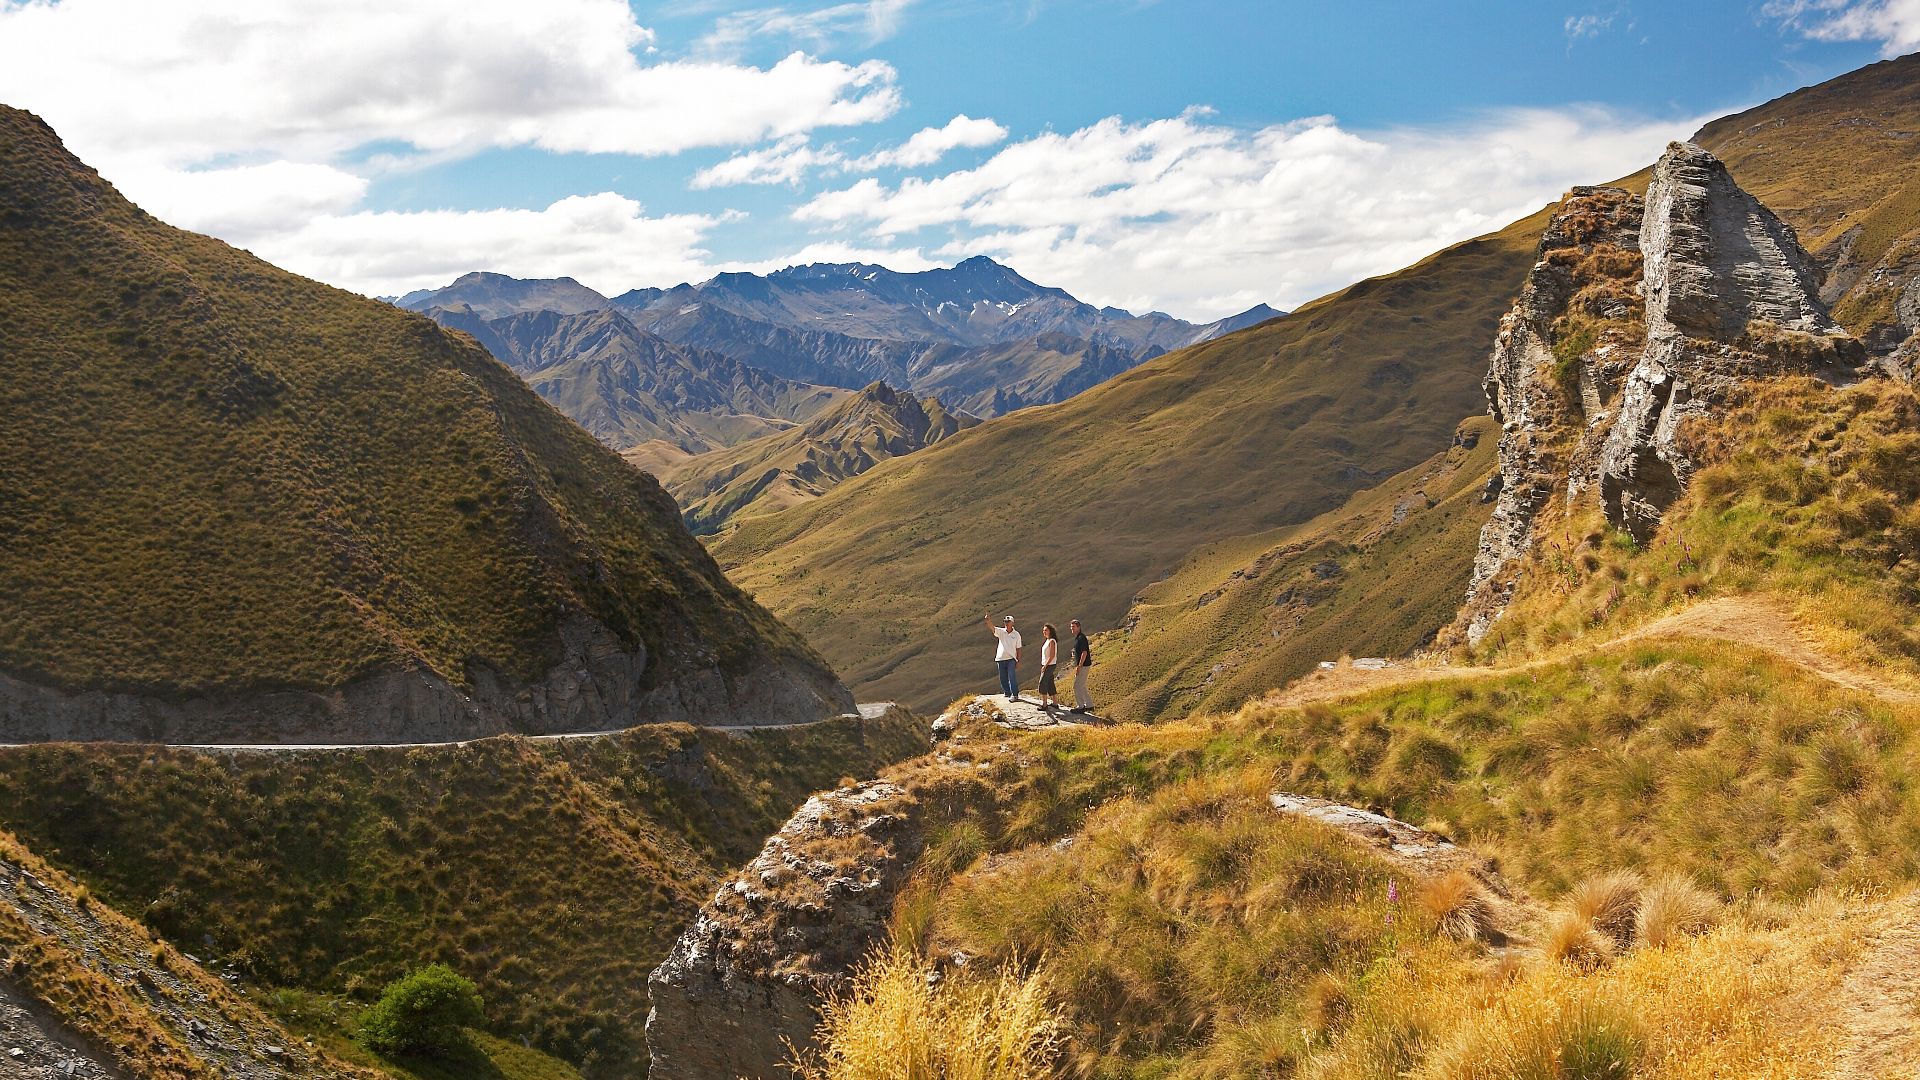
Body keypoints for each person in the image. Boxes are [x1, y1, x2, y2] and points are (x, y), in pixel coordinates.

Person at [985, 613, 1022, 700]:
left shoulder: (1016, 635)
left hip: (1011, 659)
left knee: (1012, 676)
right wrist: (988, 621)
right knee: (1003, 677)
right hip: (1000, 659)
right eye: (1005, 621)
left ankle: (1015, 694)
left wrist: (1018, 661)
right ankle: (1007, 692)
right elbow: (993, 628)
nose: (1006, 623)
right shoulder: (1001, 632)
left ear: (1012, 623)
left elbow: (1019, 648)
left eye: (1008, 622)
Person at [1069, 618, 1093, 711]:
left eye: (1074, 627)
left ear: (1079, 627)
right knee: (1081, 685)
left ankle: (1081, 706)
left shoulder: (1081, 638)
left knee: (1077, 686)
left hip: (1083, 665)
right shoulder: (1078, 638)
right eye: (1071, 627)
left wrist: (1079, 666)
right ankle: (1089, 705)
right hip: (1084, 665)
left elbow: (1084, 652)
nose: (1072, 629)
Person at [1036, 624, 1060, 708]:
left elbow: (1052, 655)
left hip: (1049, 665)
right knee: (1050, 683)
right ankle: (1055, 703)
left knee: (1042, 683)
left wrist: (1045, 666)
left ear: (1050, 631)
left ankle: (1044, 704)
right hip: (1047, 664)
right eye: (1043, 630)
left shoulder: (1052, 641)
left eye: (1046, 630)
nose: (1044, 632)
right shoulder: (1048, 640)